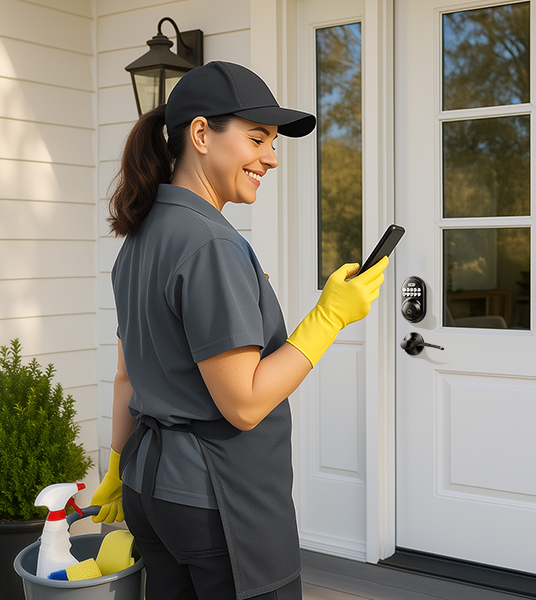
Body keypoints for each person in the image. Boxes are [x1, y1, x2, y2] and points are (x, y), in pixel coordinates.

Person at [87, 61, 388, 600]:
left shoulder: (140, 235)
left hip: (149, 489)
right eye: (256, 139)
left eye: (272, 142)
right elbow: (244, 403)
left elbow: (125, 376)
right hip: (218, 500)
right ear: (201, 134)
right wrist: (330, 316)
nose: (270, 158)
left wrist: (116, 463)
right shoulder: (211, 245)